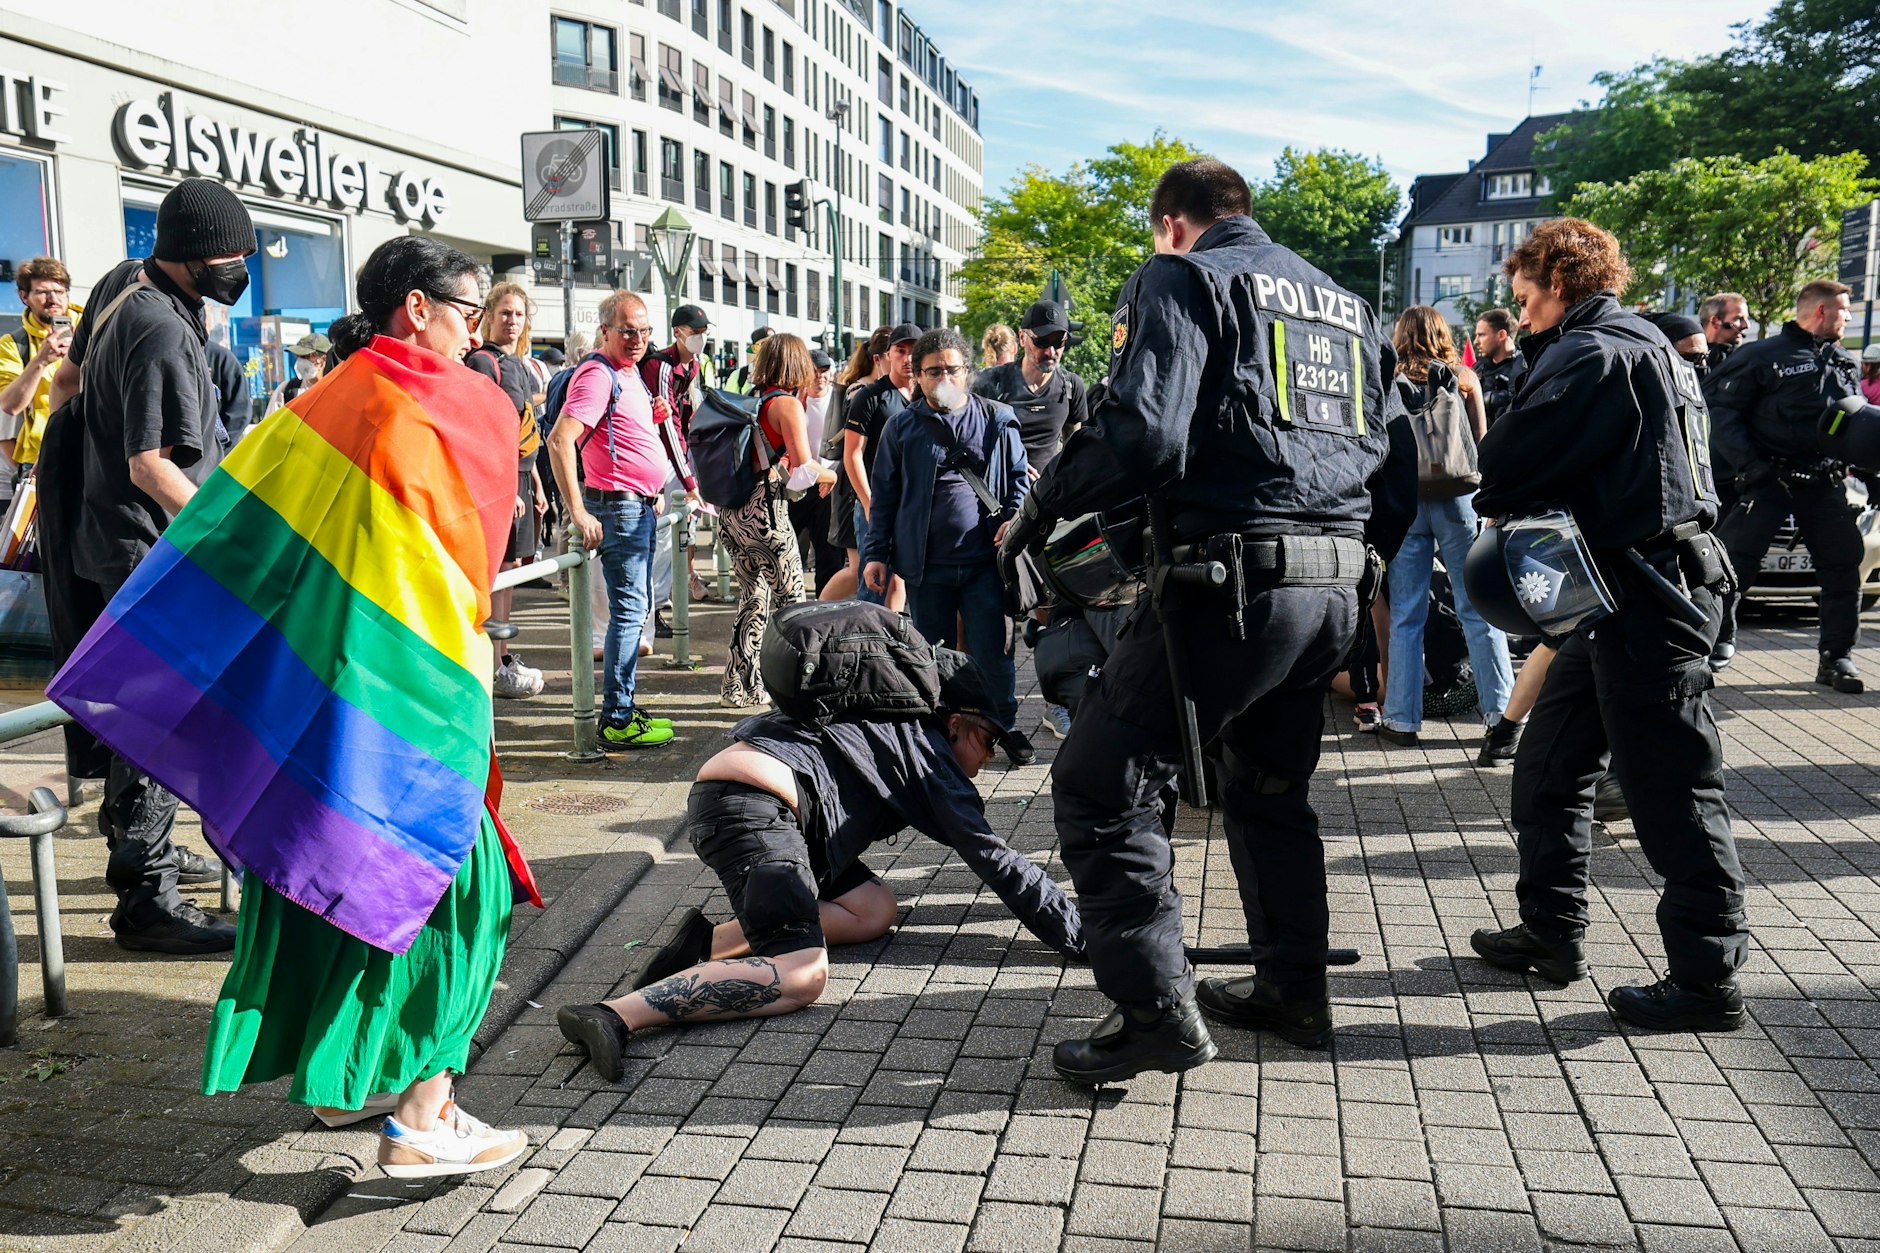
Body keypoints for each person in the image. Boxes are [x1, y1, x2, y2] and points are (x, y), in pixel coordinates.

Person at [51, 233, 535, 1177]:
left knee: (321, 875)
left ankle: (336, 1086)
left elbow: (223, 530)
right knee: (454, 889)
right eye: (467, 311)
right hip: (409, 694)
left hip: (314, 696)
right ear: (417, 308)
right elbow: (468, 565)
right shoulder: (446, 405)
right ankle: (424, 1116)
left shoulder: (315, 404)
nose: (477, 333)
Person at [997, 159, 1395, 1080]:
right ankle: (1293, 989)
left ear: (1171, 225)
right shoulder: (1341, 300)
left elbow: (1145, 430)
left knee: (1102, 785)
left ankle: (1153, 1012)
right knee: (1269, 790)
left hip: (1235, 585)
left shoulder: (1183, 276)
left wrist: (1040, 508)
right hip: (1333, 582)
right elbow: (1392, 453)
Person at [1467, 216, 1749, 1032]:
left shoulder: (1592, 353)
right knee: (1550, 765)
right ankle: (1550, 932)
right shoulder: (1645, 341)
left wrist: (1523, 370)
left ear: (1558, 282)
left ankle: (1707, 979)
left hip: (1648, 595)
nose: (1517, 318)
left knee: (1674, 790)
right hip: (1617, 594)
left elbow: (1504, 464)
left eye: (1523, 301)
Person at [555, 649, 1084, 1080]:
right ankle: (614, 1016)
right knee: (802, 976)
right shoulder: (932, 760)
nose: (989, 758)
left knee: (873, 908)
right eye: (988, 742)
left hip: (750, 799)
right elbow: (1001, 862)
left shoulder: (890, 718)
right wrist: (1082, 934)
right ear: (952, 724)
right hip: (755, 811)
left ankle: (704, 946)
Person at [42, 178, 255, 953]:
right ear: (196, 257)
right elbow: (149, 465)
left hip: (113, 540)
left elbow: (68, 389)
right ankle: (147, 898)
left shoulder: (121, 286)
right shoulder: (160, 327)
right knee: (160, 719)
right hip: (148, 547)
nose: (242, 266)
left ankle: (147, 852)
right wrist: (228, 547)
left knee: (149, 716)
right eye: (233, 255)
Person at [864, 327, 1035, 767]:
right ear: (916, 375)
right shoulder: (901, 428)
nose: (943, 377)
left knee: (994, 654)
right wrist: (875, 555)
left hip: (986, 565)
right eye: (932, 370)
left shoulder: (997, 419)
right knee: (933, 655)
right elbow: (884, 497)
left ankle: (1004, 727)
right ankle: (943, 732)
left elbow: (1019, 483)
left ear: (967, 372)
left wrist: (1014, 520)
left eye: (951, 369)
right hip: (926, 568)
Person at [1709, 279, 1865, 693]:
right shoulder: (1762, 356)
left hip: (1824, 482)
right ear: (1820, 312)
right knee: (1731, 567)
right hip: (1768, 480)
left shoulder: (1844, 361)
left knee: (1842, 566)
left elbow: (1855, 424)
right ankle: (1714, 641)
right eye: (1844, 310)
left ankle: (1836, 658)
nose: (1848, 317)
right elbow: (1721, 412)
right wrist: (1750, 466)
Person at [544, 291, 682, 749]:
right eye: (627, 330)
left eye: (644, 331)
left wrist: (651, 489)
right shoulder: (598, 375)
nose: (638, 339)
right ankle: (617, 716)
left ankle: (621, 708)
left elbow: (621, 436)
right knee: (628, 613)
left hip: (637, 504)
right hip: (618, 508)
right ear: (605, 330)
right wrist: (578, 510)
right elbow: (562, 440)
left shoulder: (627, 374)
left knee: (635, 610)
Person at [1379, 306, 1515, 754]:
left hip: (1406, 502)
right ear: (1443, 335)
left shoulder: (1387, 382)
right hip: (1459, 500)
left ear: (1400, 334)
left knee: (1406, 612)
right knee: (1479, 607)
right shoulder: (1463, 378)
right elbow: (1483, 443)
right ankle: (1500, 716)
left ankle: (1400, 719)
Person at [718, 333, 828, 707]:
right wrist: (835, 475)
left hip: (733, 513)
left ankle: (738, 686)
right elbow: (805, 466)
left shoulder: (754, 400)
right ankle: (793, 691)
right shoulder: (786, 405)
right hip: (766, 515)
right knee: (792, 604)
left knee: (752, 600)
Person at [466, 283, 549, 699]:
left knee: (513, 565)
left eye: (518, 314)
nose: (512, 321)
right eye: (504, 313)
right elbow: (484, 429)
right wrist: (505, 485)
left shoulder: (518, 363)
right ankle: (494, 661)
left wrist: (533, 482)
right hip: (498, 480)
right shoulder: (482, 361)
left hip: (518, 478)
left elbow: (523, 426)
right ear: (488, 316)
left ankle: (502, 654)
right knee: (498, 566)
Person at [636, 304, 707, 644]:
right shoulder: (661, 367)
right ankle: (648, 614)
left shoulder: (690, 366)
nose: (701, 338)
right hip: (656, 462)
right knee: (659, 541)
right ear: (678, 332)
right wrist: (690, 479)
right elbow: (669, 427)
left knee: (667, 541)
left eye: (704, 332)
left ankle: (654, 611)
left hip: (669, 461)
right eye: (695, 332)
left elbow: (685, 420)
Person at [844, 323, 920, 609]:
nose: (908, 358)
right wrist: (869, 503)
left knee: (904, 583)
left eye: (914, 351)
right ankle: (867, 648)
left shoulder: (928, 397)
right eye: (901, 351)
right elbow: (852, 455)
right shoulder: (869, 395)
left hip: (914, 505)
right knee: (874, 584)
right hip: (877, 504)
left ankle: (894, 643)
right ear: (887, 354)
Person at [820, 327, 890, 602]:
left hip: (862, 490)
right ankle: (816, 615)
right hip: (855, 490)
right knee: (859, 570)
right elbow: (853, 452)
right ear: (879, 358)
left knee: (869, 571)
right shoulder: (861, 392)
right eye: (898, 352)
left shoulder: (892, 391)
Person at [0, 257, 79, 481]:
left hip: (94, 449)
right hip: (41, 458)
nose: (53, 299)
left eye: (60, 291)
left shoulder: (90, 326)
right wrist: (40, 361)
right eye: (43, 292)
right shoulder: (14, 343)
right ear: (24, 297)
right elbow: (9, 405)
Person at [789, 348, 846, 594]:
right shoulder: (793, 401)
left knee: (829, 553)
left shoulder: (841, 399)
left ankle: (824, 604)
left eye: (824, 371)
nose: (820, 376)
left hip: (829, 484)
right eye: (814, 371)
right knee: (789, 547)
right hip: (797, 485)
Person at [1472, 308, 1524, 426]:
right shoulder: (1478, 369)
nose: (1476, 341)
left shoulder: (1526, 368)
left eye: (1481, 335)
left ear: (1501, 335)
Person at [263, 333, 332, 417]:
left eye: (306, 356)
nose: (300, 361)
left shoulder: (337, 390)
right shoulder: (286, 390)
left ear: (323, 360)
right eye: (298, 356)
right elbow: (270, 424)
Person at [1699, 291, 1750, 374]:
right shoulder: (1688, 359)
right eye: (1738, 319)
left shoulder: (1746, 360)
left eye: (1747, 318)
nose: (1747, 325)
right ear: (1715, 322)